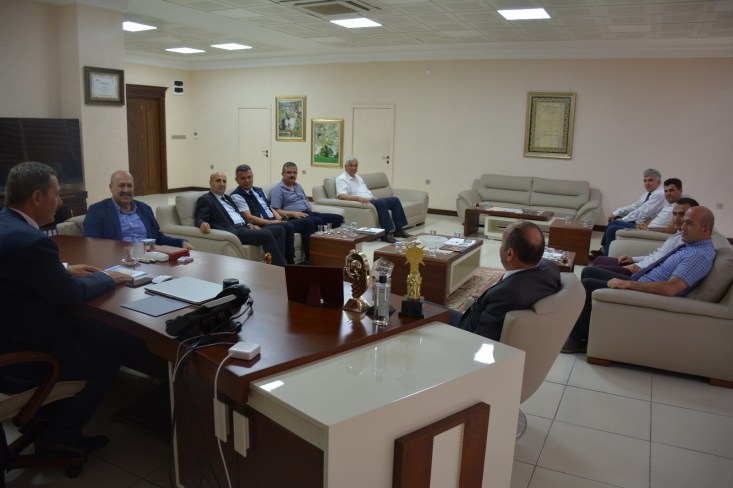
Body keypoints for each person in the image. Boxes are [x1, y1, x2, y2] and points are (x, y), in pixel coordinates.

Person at [0, 161, 132, 456]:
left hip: (7, 333)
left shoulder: (6, 226)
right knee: (107, 355)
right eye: (56, 194)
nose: (60, 202)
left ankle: (46, 416)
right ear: (37, 197)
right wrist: (107, 278)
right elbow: (69, 294)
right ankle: (60, 438)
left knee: (88, 330)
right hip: (18, 360)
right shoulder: (32, 241)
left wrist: (62, 269)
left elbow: (17, 269)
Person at [563, 206, 717, 354]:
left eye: (689, 223)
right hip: (642, 280)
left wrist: (628, 284)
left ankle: (579, 340)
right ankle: (587, 328)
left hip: (647, 294)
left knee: (588, 284)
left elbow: (670, 288)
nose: (682, 227)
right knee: (589, 271)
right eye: (683, 222)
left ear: (705, 229)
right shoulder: (691, 246)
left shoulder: (698, 256)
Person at [449, 221, 561, 341]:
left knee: (434, 310)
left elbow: (481, 338)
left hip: (464, 334)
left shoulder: (505, 294)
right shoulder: (550, 270)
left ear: (510, 253)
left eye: (502, 242)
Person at [195, 172, 287, 266]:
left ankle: (283, 263)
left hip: (245, 228)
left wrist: (250, 224)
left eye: (224, 181)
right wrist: (202, 223)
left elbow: (239, 215)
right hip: (233, 231)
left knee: (279, 229)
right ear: (210, 183)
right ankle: (281, 268)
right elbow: (200, 218)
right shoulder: (206, 199)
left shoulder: (227, 198)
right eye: (218, 181)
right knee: (266, 234)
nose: (222, 184)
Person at [84, 170, 192, 249]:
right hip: (120, 260)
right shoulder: (97, 211)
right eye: (121, 186)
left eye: (129, 186)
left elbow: (157, 237)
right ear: (111, 188)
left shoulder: (144, 209)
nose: (126, 190)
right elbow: (93, 244)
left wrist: (180, 243)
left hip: (150, 258)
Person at [590, 197, 698, 276]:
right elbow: (657, 256)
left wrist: (639, 268)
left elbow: (664, 266)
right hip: (643, 263)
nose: (677, 218)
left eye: (682, 214)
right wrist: (634, 259)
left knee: (591, 271)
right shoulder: (678, 236)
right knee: (599, 260)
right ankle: (604, 250)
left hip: (644, 271)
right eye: (674, 214)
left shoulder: (688, 244)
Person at [230, 164, 315, 264]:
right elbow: (248, 217)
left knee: (306, 222)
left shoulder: (259, 190)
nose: (247, 180)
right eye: (243, 178)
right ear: (237, 180)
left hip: (273, 220)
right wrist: (272, 222)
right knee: (287, 227)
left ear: (253, 177)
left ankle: (310, 260)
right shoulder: (237, 195)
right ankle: (289, 262)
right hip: (262, 224)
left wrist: (282, 219)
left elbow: (270, 208)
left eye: (249, 177)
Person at [590, 168, 665, 258]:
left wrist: (624, 219)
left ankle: (606, 256)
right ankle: (604, 250)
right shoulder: (648, 193)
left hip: (644, 225)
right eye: (645, 181)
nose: (647, 183)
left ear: (658, 182)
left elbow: (643, 211)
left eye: (650, 180)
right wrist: (616, 212)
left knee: (613, 227)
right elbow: (635, 206)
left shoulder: (659, 194)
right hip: (639, 222)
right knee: (614, 220)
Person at [335, 157, 410, 243]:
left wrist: (376, 198)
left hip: (371, 199)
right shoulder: (342, 179)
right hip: (361, 202)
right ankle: (385, 234)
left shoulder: (358, 177)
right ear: (345, 166)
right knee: (381, 202)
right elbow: (341, 195)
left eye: (355, 166)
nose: (353, 168)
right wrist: (358, 198)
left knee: (394, 200)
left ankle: (399, 230)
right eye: (351, 165)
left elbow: (367, 191)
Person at [269, 161, 344, 230]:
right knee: (316, 221)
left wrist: (312, 209)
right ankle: (318, 239)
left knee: (338, 218)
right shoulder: (278, 190)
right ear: (282, 174)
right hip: (293, 217)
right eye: (289, 172)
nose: (292, 175)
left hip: (308, 214)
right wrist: (293, 213)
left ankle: (330, 239)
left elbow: (306, 200)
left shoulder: (298, 186)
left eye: (294, 173)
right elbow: (276, 211)